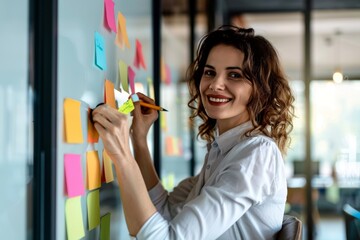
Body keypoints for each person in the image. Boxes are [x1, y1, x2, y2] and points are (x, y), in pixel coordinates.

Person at [92, 25, 295, 240]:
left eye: (234, 75)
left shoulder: (256, 154)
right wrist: (138, 140)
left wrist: (122, 156)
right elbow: (165, 211)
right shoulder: (223, 149)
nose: (215, 84)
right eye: (210, 72)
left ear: (261, 89)